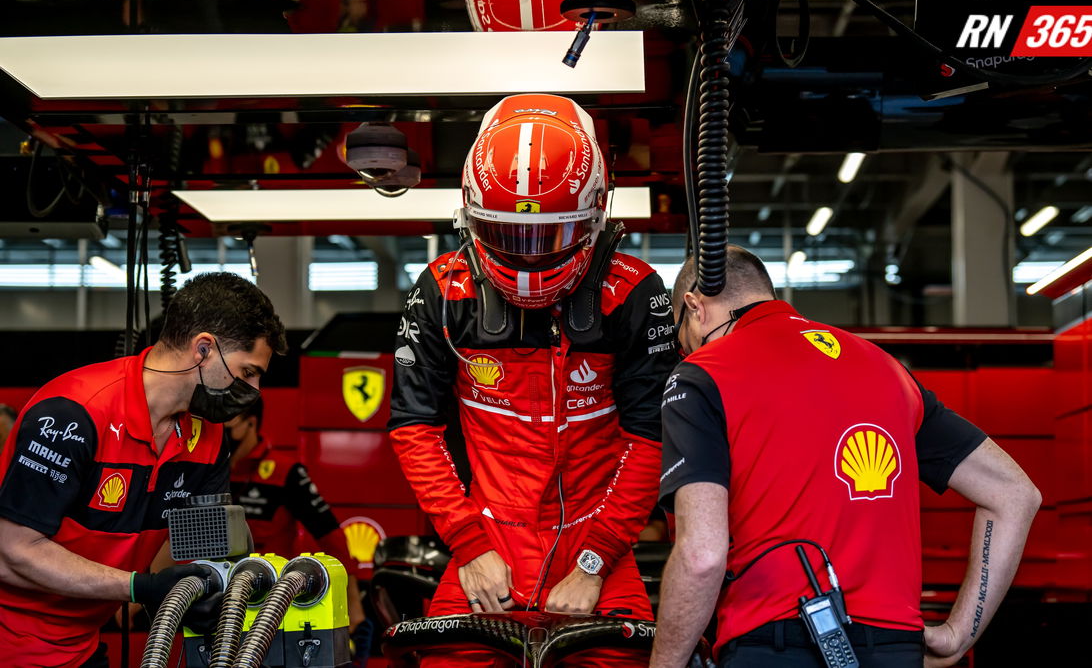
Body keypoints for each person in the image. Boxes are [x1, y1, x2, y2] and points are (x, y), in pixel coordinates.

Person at [388, 93, 677, 666]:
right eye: (509, 236)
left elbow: (652, 438)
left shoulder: (634, 293)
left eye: (549, 236)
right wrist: (469, 546)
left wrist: (594, 561)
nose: (528, 257)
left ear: (595, 214)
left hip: (597, 547)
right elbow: (414, 428)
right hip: (487, 544)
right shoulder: (444, 291)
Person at [650, 249, 1042, 668]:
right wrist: (958, 634)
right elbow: (1014, 493)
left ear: (694, 307)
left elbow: (702, 556)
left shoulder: (703, 372)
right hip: (896, 649)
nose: (687, 352)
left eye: (683, 340)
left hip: (774, 644)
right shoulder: (886, 368)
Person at [0, 272, 286, 668]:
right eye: (248, 372)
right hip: (10, 643)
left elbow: (206, 550)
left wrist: (208, 590)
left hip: (81, 645)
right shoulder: (75, 412)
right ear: (204, 349)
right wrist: (140, 587)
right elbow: (12, 551)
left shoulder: (207, 436)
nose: (253, 390)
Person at [225, 396, 369, 643]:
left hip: (272, 598)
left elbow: (329, 533)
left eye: (227, 424)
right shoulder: (209, 472)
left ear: (251, 423)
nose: (221, 433)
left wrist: (352, 601)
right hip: (222, 595)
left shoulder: (285, 472)